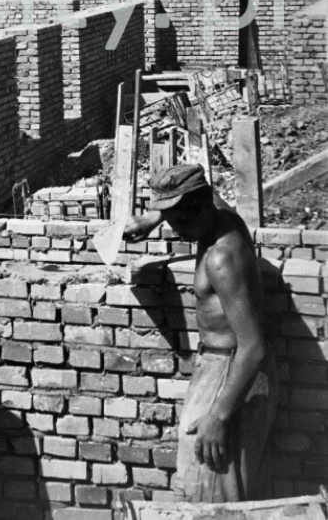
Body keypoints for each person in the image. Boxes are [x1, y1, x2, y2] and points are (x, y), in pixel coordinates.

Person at [123, 163, 276, 503]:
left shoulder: (222, 256)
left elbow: (254, 347)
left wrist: (218, 416)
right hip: (223, 369)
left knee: (212, 499)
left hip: (232, 374)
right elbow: (205, 194)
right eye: (171, 219)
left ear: (203, 204)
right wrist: (154, 217)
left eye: (182, 219)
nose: (177, 230)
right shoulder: (220, 213)